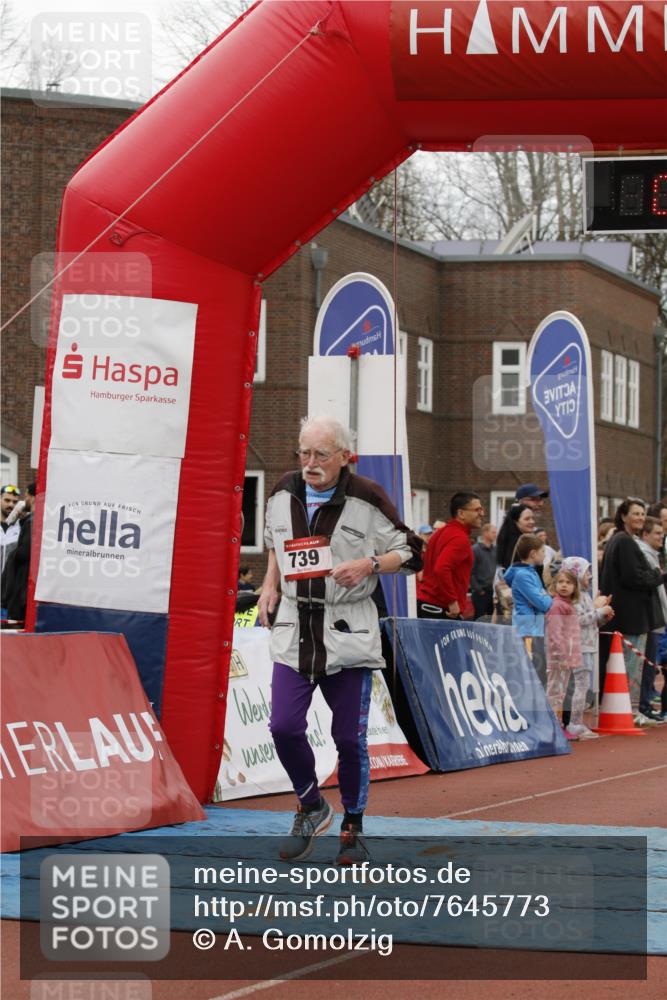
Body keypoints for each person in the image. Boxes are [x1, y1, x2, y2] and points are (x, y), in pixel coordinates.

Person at [258, 415, 421, 864]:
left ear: (345, 457)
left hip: (348, 629)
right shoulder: (282, 491)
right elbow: (275, 542)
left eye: (320, 455)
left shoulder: (367, 497)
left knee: (348, 739)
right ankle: (311, 805)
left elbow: (412, 552)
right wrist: (270, 584)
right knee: (283, 726)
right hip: (295, 626)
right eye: (303, 453)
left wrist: (369, 564)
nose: (309, 463)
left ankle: (352, 826)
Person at [599, 498, 667, 718]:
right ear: (624, 516)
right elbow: (634, 577)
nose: (640, 518)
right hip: (631, 617)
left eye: (642, 513)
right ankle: (630, 710)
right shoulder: (625, 542)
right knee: (631, 666)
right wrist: (658, 575)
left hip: (625, 615)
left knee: (625, 665)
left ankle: (626, 709)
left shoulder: (620, 541)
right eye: (635, 513)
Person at [560, 556, 614, 739]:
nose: (589, 576)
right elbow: (579, 620)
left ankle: (575, 721)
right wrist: (598, 611)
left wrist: (602, 617)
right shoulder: (574, 598)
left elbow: (591, 623)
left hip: (588, 646)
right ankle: (574, 723)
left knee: (581, 686)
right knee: (579, 686)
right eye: (586, 571)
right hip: (578, 647)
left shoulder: (584, 596)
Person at [417, 492, 484, 620]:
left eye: (481, 509)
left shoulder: (440, 533)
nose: (482, 513)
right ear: (461, 513)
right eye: (477, 510)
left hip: (427, 604)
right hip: (441, 609)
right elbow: (441, 568)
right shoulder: (460, 538)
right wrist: (452, 601)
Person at [504, 534, 551, 685]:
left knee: (538, 672)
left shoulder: (530, 573)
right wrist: (546, 596)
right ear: (533, 554)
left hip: (534, 628)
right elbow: (543, 603)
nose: (545, 555)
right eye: (542, 551)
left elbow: (542, 598)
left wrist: (544, 596)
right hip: (528, 630)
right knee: (532, 674)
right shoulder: (523, 576)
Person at [545, 568, 584, 741]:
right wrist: (562, 656)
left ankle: (557, 724)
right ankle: (552, 727)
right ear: (555, 585)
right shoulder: (557, 606)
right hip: (558, 659)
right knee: (555, 693)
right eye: (561, 582)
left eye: (568, 583)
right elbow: (555, 633)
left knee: (560, 694)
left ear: (575, 587)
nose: (564, 586)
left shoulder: (569, 606)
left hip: (567, 658)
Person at [636, 517, 667, 724]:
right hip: (653, 621)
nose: (661, 536)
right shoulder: (645, 556)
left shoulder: (655, 556)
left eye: (662, 533)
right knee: (649, 665)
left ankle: (646, 706)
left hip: (659, 620)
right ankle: (644, 706)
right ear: (645, 535)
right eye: (657, 533)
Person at [1, 483, 36, 622]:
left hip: (10, 594)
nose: (11, 505)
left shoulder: (22, 526)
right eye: (7, 500)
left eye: (15, 502)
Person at [470, 522, 497, 620]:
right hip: (480, 592)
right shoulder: (475, 550)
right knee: (479, 618)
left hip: (492, 591)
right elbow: (470, 572)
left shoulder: (495, 550)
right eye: (493, 532)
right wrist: (479, 590)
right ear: (485, 533)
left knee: (492, 618)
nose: (495, 535)